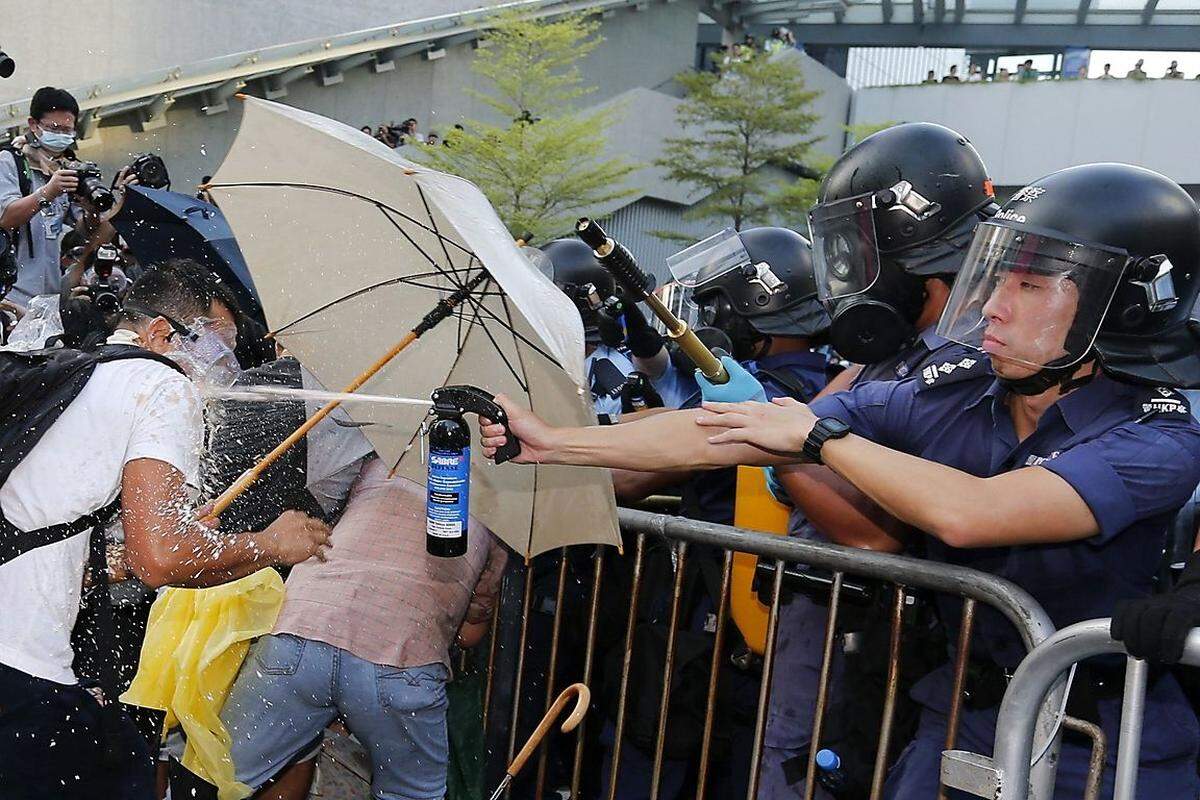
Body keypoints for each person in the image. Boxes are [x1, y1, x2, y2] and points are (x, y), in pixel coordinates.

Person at [478, 162, 1200, 799]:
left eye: (1031, 285)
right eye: (998, 277)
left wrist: (819, 438)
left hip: (1107, 735)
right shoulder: (955, 387)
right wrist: (555, 444)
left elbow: (973, 514)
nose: (993, 307)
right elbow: (742, 428)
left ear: (1127, 304)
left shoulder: (1157, 436)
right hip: (964, 707)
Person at [0, 259, 332, 799]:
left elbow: (53, 517)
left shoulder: (81, 368)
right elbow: (161, 560)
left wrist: (156, 540)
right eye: (212, 342)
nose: (222, 361)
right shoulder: (162, 384)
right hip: (22, 663)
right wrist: (270, 544)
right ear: (160, 333)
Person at [761, 122, 997, 798]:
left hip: (886, 630)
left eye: (866, 254)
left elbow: (877, 534)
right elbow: (812, 423)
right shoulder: (892, 352)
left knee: (817, 764)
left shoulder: (966, 361)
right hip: (843, 619)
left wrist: (784, 454)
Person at [218, 455, 506, 800]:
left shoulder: (387, 460)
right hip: (400, 658)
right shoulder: (500, 508)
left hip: (302, 630)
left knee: (220, 776)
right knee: (411, 793)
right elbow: (468, 634)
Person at [0, 87, 133, 306]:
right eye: (54, 128)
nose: (61, 136)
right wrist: (48, 192)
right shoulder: (9, 161)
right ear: (33, 124)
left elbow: (82, 235)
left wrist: (92, 210)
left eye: (67, 130)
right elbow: (6, 218)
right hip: (10, 296)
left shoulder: (69, 168)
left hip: (50, 297)